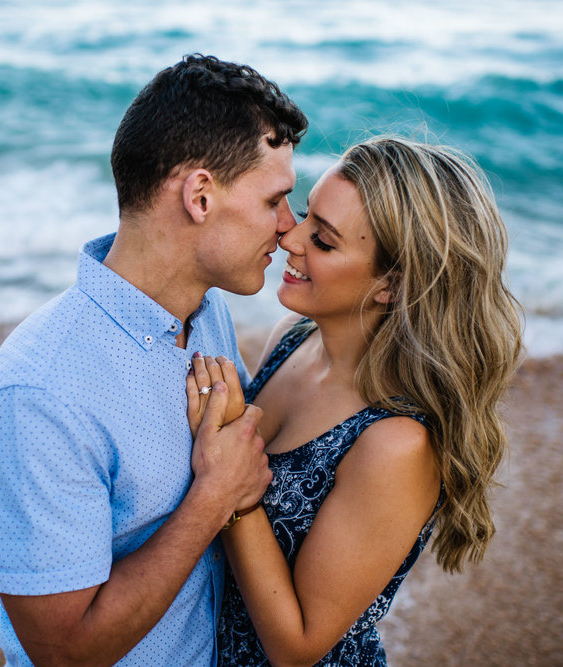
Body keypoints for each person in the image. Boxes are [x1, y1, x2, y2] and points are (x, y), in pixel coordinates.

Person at [0, 54, 308, 666]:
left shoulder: (205, 315)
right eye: (275, 200)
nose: (288, 227)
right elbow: (63, 653)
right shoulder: (36, 397)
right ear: (200, 196)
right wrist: (213, 497)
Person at [186, 137, 523, 666]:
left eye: (322, 241)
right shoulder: (293, 336)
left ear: (391, 284)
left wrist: (235, 494)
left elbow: (297, 647)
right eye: (305, 216)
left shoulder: (395, 442)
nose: (289, 237)